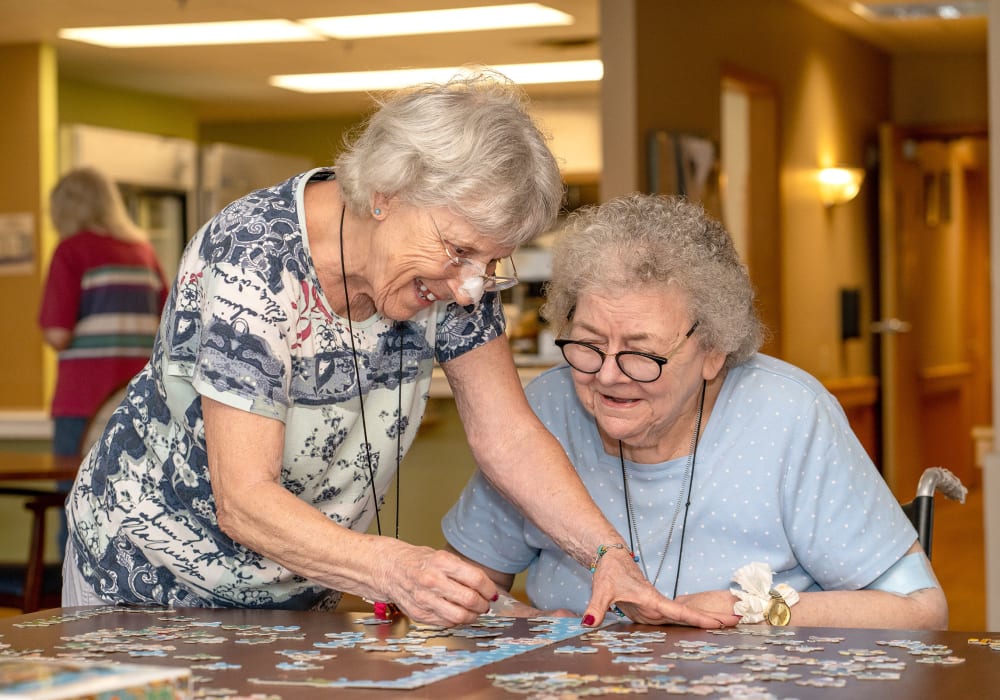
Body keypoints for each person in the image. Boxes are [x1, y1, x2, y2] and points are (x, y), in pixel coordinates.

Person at [62, 72, 730, 629]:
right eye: (461, 251)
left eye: (492, 261)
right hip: (142, 584)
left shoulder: (449, 278)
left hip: (296, 592)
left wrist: (607, 554)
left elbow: (508, 435)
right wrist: (393, 567)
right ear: (385, 194)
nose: (471, 285)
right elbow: (244, 499)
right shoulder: (253, 257)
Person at [443, 192, 949, 629]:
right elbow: (468, 586)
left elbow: (920, 611)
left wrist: (747, 610)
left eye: (642, 354)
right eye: (589, 344)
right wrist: (524, 622)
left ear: (713, 351)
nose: (609, 374)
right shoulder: (545, 410)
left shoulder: (790, 415)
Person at [39, 167, 169, 553]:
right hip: (140, 399)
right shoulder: (143, 252)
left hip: (83, 399)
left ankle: (74, 605)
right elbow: (167, 326)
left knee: (77, 504)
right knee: (135, 505)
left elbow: (57, 334)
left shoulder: (71, 250)